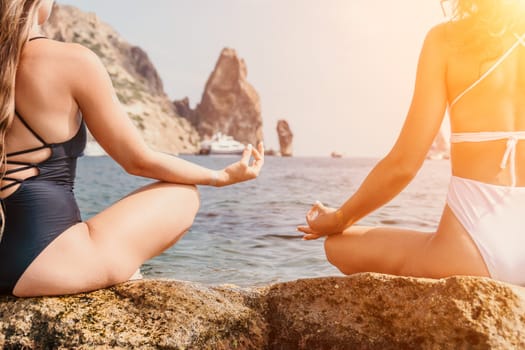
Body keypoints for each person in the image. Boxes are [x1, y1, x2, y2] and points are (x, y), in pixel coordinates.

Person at [0, 0, 264, 297]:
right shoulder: (71, 60)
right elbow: (138, 161)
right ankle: (117, 271)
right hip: (48, 263)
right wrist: (220, 177)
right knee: (183, 194)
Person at [298, 0, 525, 286]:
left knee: (337, 246)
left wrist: (340, 218)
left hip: (467, 252)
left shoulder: (446, 40)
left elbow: (404, 165)